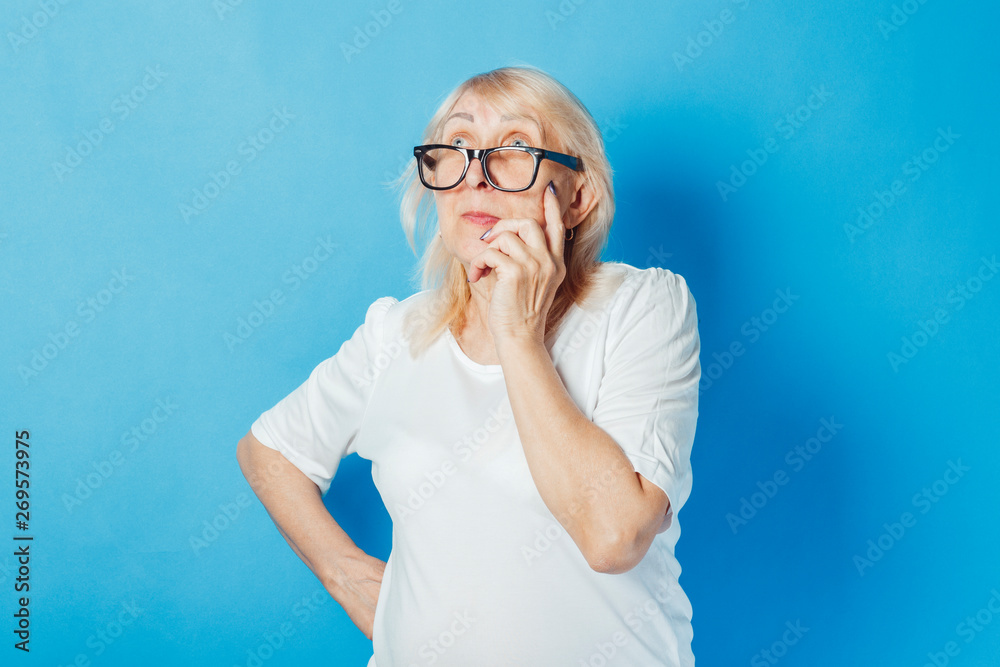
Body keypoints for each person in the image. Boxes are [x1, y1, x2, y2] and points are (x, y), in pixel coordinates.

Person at [237, 65, 701, 666]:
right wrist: (346, 574)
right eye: (456, 148)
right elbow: (268, 451)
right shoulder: (397, 332)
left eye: (512, 149)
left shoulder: (641, 307)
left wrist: (517, 332)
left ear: (577, 195)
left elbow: (613, 537)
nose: (476, 177)